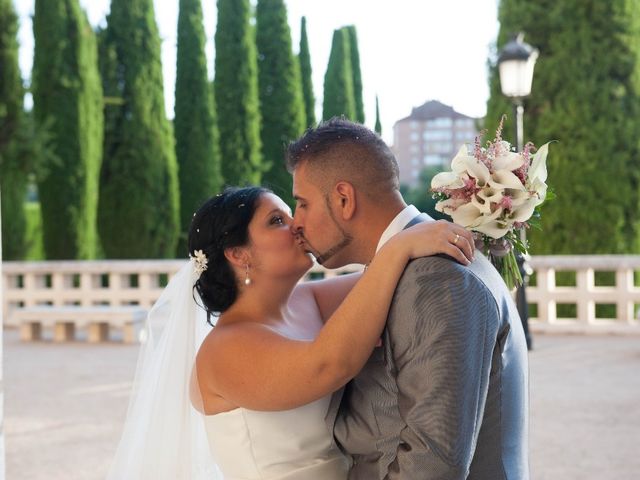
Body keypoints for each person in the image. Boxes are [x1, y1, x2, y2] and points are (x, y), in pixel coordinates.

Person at [107, 186, 474, 480]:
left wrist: (484, 215)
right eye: (276, 220)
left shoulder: (305, 301)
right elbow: (331, 364)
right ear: (238, 254)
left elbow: (396, 279)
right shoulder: (225, 349)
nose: (297, 225)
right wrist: (399, 247)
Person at [287, 118, 530, 479]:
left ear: (343, 199)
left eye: (303, 204)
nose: (296, 223)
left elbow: (433, 463)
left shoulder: (436, 278)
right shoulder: (407, 263)